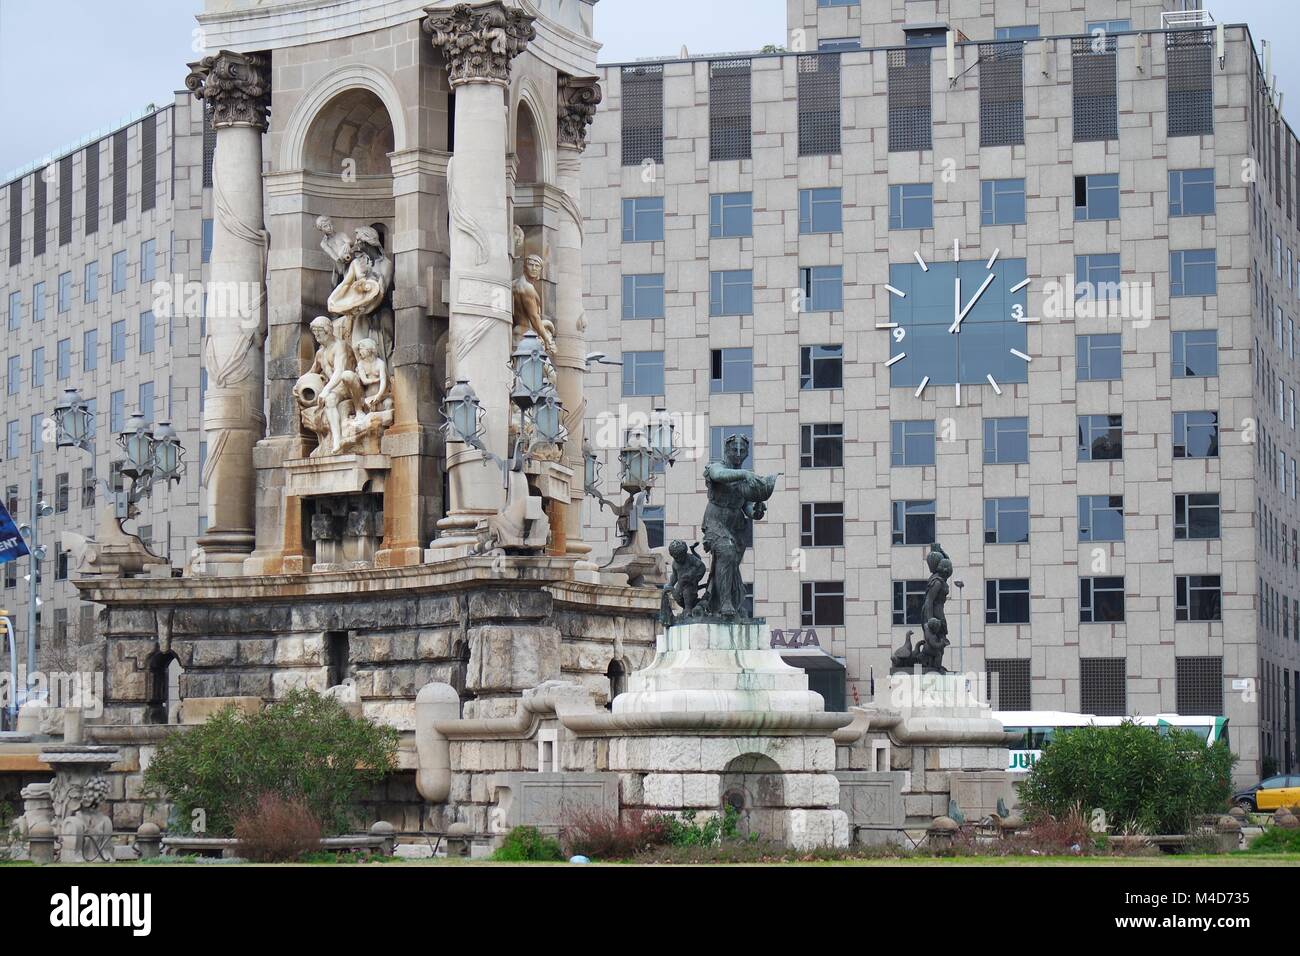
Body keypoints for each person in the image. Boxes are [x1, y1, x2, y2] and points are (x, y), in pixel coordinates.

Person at [701, 434, 779, 619]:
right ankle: (725, 603)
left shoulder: (746, 479)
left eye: (742, 450)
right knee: (726, 552)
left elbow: (747, 508)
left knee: (731, 564)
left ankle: (723, 601)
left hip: (736, 526)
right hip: (715, 521)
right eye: (734, 449)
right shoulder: (717, 467)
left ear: (747, 453)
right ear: (726, 450)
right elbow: (718, 476)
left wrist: (757, 510)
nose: (738, 453)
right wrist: (745, 474)